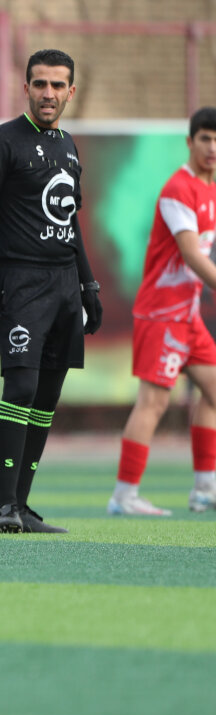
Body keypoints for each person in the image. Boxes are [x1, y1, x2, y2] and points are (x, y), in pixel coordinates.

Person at [0, 48, 102, 534]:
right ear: (25, 88)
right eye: (40, 84)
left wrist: (88, 285)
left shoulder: (68, 145)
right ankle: (4, 506)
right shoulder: (1, 141)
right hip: (21, 280)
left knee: (46, 397)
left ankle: (22, 506)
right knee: (20, 387)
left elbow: (70, 221)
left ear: (71, 91)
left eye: (57, 85)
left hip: (64, 284)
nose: (48, 93)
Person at [107, 107, 216, 516]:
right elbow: (191, 254)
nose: (212, 147)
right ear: (190, 142)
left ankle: (205, 488)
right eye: (205, 138)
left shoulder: (210, 189)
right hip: (162, 314)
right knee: (153, 403)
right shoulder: (178, 189)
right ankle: (124, 496)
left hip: (187, 315)